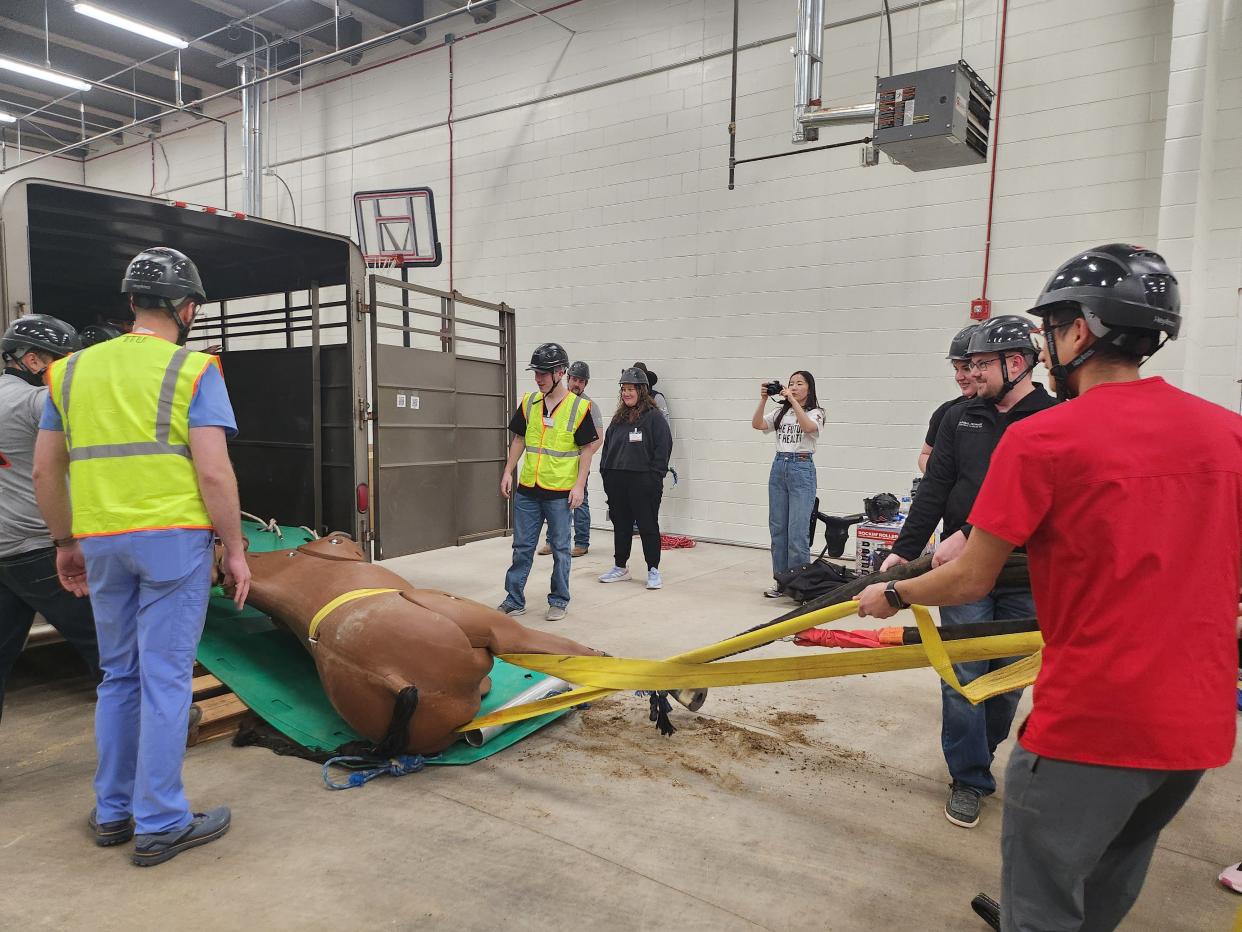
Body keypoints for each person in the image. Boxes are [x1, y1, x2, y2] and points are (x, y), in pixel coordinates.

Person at [858, 244, 1241, 932]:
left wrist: (896, 593)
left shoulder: (1047, 438)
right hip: (1198, 733)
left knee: (1040, 907)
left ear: (1080, 332)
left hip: (1092, 724)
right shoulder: (1229, 434)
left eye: (1053, 330)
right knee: (1105, 889)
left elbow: (972, 571)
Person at [33, 246, 250, 867]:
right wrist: (234, 549)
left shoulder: (68, 372)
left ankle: (113, 811)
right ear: (187, 308)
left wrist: (65, 541)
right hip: (172, 541)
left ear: (131, 302)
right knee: (165, 680)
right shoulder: (194, 371)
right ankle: (161, 821)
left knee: (119, 676)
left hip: (101, 541)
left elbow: (47, 469)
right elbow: (213, 472)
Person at [881, 315, 1055, 829]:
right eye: (968, 364)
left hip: (1027, 572)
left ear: (1016, 363)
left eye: (980, 364)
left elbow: (1055, 505)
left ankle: (978, 749)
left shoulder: (1053, 418)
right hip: (959, 572)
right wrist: (902, 552)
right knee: (961, 675)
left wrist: (979, 533)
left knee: (1006, 680)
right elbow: (934, 489)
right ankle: (970, 776)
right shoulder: (960, 418)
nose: (969, 374)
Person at [0, 316, 100, 723]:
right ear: (31, 359)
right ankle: (153, 727)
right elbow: (84, 398)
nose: (63, 369)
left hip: (4, 549)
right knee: (108, 642)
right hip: (40, 549)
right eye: (59, 360)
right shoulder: (31, 402)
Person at [498, 342, 600, 621]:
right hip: (529, 489)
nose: (538, 378)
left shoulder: (580, 408)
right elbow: (519, 439)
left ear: (560, 372)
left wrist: (579, 486)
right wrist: (508, 471)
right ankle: (514, 598)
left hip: (559, 493)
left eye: (543, 373)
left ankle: (559, 600)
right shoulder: (529, 402)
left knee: (560, 549)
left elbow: (587, 449)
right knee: (522, 547)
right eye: (536, 373)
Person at [598, 368, 673, 590]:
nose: (626, 393)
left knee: (648, 526)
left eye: (631, 389)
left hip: (644, 483)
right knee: (621, 526)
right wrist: (606, 474)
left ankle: (653, 570)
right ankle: (620, 567)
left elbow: (664, 448)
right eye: (623, 389)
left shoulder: (654, 417)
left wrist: (654, 477)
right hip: (617, 482)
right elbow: (608, 448)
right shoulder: (618, 419)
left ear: (641, 390)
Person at [751, 371, 824, 598]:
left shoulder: (816, 412)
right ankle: (781, 581)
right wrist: (763, 399)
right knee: (778, 528)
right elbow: (757, 424)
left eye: (799, 384)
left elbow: (809, 428)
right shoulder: (780, 412)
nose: (794, 386)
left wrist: (792, 401)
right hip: (779, 466)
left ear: (809, 389)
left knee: (797, 531)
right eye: (791, 383)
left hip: (801, 467)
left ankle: (800, 586)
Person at [538, 360, 602, 558]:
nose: (577, 384)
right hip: (557, 464)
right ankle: (552, 541)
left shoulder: (590, 406)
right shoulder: (556, 401)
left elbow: (598, 438)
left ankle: (581, 543)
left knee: (580, 502)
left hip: (577, 464)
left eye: (581, 381)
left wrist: (584, 458)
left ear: (586, 384)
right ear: (567, 378)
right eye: (574, 379)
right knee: (553, 502)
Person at [919, 324, 980, 472]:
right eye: (956, 369)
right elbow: (925, 455)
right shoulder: (947, 411)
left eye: (966, 368)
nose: (958, 377)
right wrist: (942, 479)